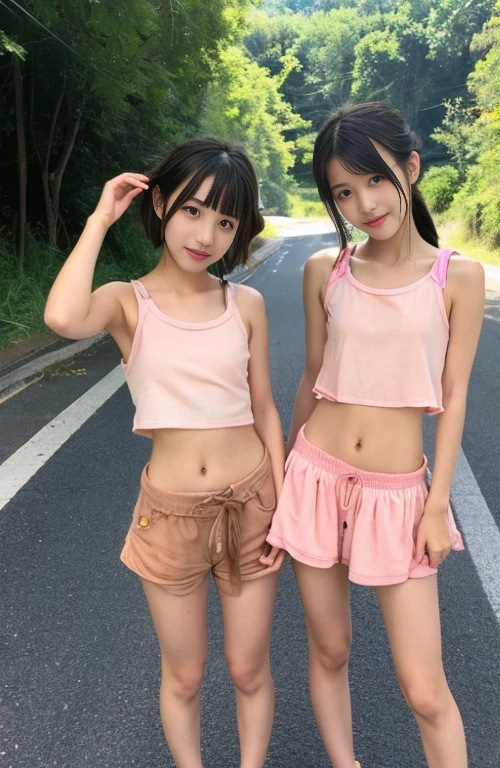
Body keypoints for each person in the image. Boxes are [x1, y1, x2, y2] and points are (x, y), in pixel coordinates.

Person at [44, 138, 285, 768]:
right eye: (193, 211)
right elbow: (63, 317)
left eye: (226, 221)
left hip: (252, 503)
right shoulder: (128, 302)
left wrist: (282, 505)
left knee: (248, 668)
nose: (206, 235)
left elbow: (264, 408)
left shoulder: (246, 304)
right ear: (160, 204)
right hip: (170, 515)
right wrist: (99, 219)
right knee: (184, 675)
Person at [267, 102, 485, 768]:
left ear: (410, 168)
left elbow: (454, 394)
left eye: (375, 179)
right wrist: (281, 484)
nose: (364, 203)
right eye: (342, 192)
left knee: (425, 689)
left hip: (399, 497)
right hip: (314, 475)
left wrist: (438, 504)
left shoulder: (457, 276)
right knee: (330, 649)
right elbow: (311, 378)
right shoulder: (325, 271)